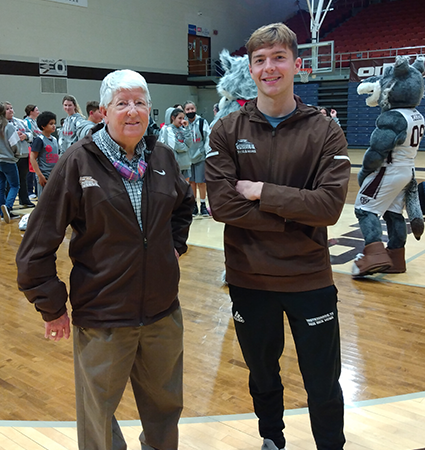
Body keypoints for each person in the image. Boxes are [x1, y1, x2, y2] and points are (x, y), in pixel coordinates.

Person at [16, 69, 194, 450]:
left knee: (166, 410)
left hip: (163, 314)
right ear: (104, 111)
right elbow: (36, 244)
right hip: (104, 317)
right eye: (122, 103)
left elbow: (183, 206)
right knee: (98, 417)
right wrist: (51, 307)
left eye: (140, 102)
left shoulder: (162, 157)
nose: (132, 111)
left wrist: (173, 246)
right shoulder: (78, 162)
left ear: (150, 109)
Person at [205, 23, 350, 450]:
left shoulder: (325, 130)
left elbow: (329, 208)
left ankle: (331, 445)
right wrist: (298, 217)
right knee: (262, 374)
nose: (270, 68)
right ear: (250, 70)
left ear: (297, 65)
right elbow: (223, 207)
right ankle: (271, 438)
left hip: (310, 280)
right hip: (251, 280)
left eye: (278, 57)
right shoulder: (227, 130)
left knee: (323, 380)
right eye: (260, 60)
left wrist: (263, 191)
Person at [4, 102, 35, 208]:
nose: (10, 110)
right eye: (7, 109)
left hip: (23, 154)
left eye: (11, 108)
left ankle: (24, 199)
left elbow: (31, 134)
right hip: (10, 156)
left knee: (23, 178)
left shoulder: (21, 122)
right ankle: (8, 204)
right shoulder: (3, 124)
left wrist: (25, 135)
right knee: (9, 182)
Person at [183, 101, 211, 217]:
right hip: (188, 158)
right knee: (192, 183)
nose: (190, 111)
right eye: (188, 109)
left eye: (192, 109)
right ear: (185, 111)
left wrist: (206, 153)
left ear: (195, 109)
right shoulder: (183, 123)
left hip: (200, 156)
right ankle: (194, 205)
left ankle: (203, 205)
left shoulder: (201, 122)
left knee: (201, 182)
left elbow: (207, 138)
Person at [30, 111, 59, 198]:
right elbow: (32, 157)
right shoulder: (39, 140)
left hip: (54, 174)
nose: (54, 126)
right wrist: (40, 175)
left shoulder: (54, 139)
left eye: (54, 123)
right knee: (43, 200)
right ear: (43, 126)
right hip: (44, 175)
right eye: (51, 124)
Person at [158, 107, 192, 181]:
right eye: (180, 118)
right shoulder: (167, 129)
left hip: (185, 164)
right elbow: (176, 146)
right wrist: (186, 146)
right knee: (176, 190)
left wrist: (187, 128)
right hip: (174, 165)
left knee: (186, 190)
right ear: (173, 118)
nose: (182, 121)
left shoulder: (184, 129)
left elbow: (190, 143)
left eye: (183, 118)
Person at [0, 102, 20, 223]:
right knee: (14, 185)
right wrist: (17, 155)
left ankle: (1, 211)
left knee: (1, 186)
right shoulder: (9, 126)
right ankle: (7, 208)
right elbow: (15, 144)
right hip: (8, 160)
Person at [24, 105, 42, 200]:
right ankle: (29, 191)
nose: (38, 112)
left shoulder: (35, 122)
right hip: (29, 147)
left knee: (35, 169)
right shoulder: (26, 122)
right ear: (31, 112)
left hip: (37, 147)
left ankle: (35, 191)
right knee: (30, 170)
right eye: (37, 110)